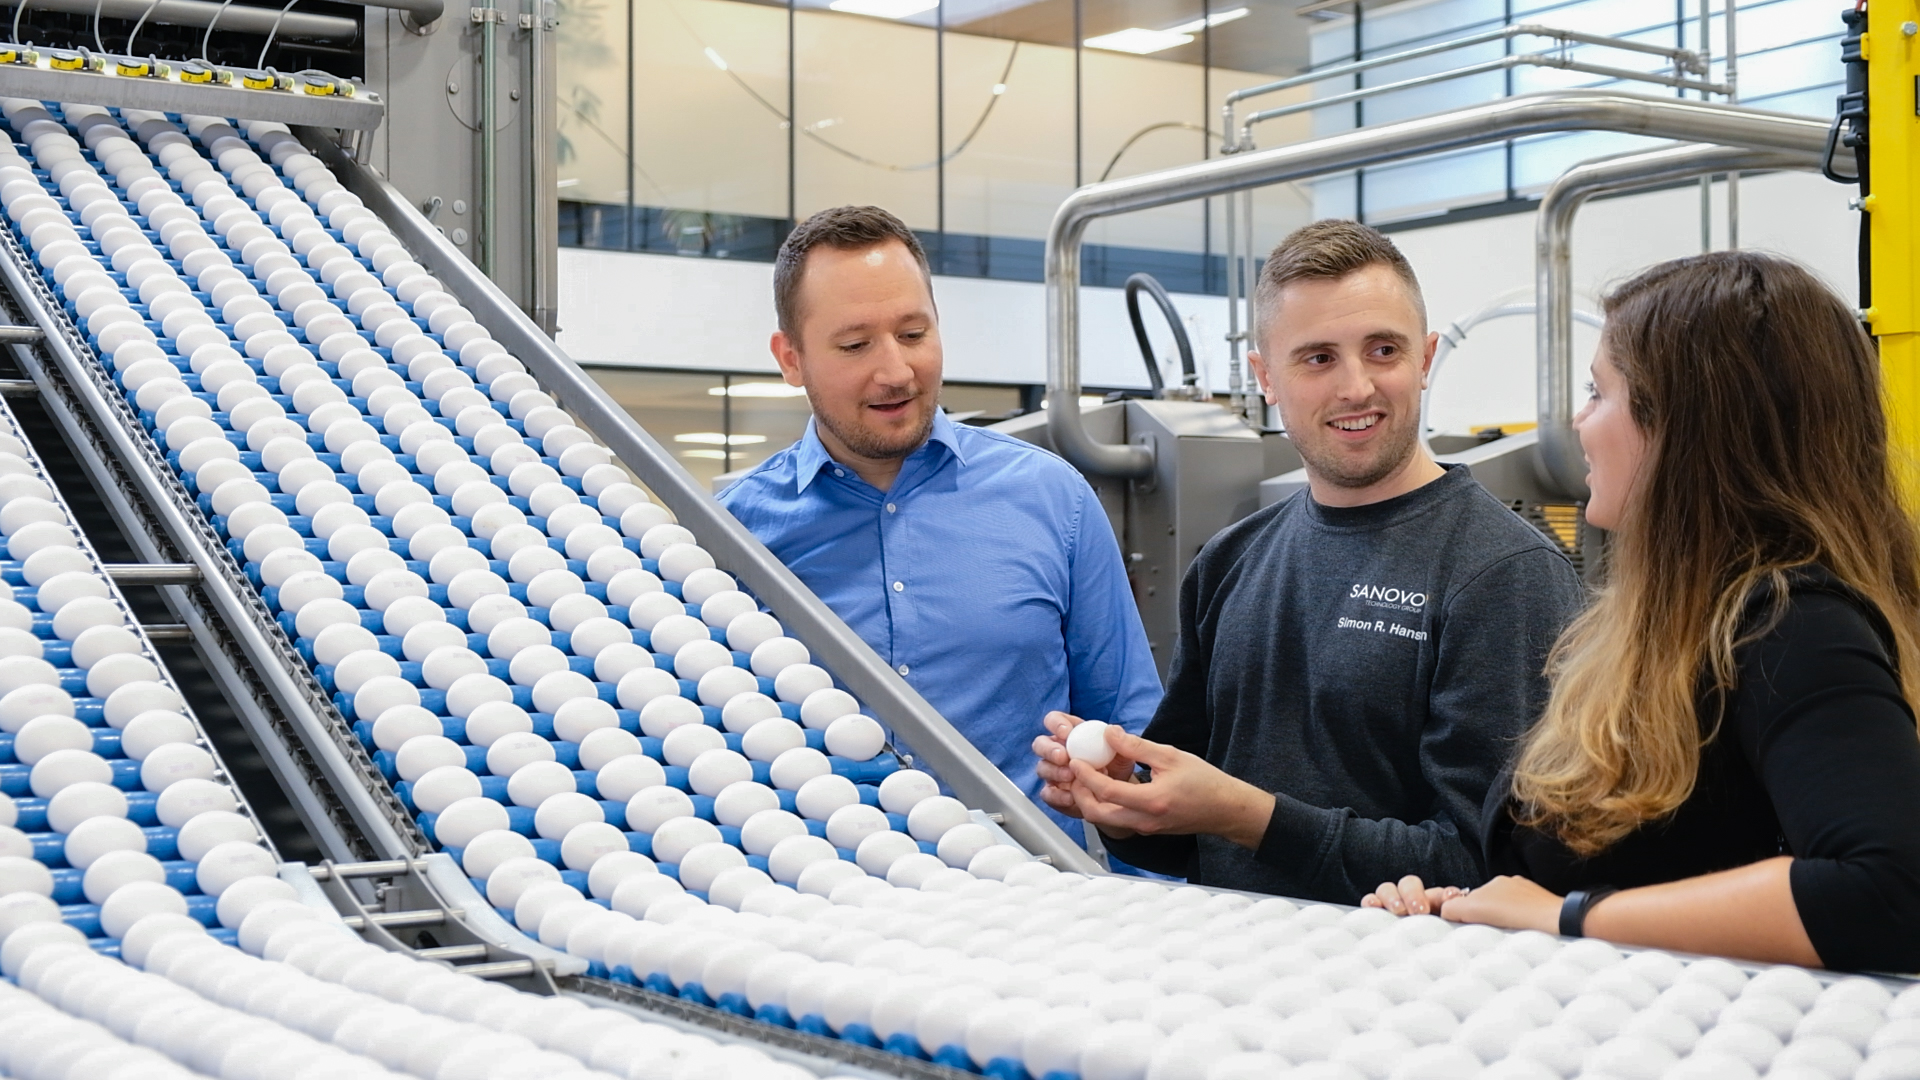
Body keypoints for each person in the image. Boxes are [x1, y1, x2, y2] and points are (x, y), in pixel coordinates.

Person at [1364, 251, 1920, 972]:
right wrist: (1471, 908)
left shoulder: (1791, 623)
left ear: (1684, 429)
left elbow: (1891, 889)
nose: (1578, 419)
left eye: (1599, 393)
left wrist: (1568, 918)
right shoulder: (1665, 624)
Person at [1032, 219, 1586, 902]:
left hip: (1412, 987)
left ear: (1426, 358)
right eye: (1318, 358)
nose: (1356, 387)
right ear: (1265, 376)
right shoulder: (1230, 560)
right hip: (1238, 967)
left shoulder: (1504, 573)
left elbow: (1494, 867)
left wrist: (1245, 815)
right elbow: (1190, 834)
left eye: (1383, 349)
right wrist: (1121, 802)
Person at [719, 205, 1161, 836]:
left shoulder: (1053, 499)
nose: (896, 371)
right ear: (790, 359)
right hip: (819, 901)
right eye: (854, 344)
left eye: (913, 333)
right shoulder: (731, 536)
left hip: (1030, 898)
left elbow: (1130, 726)